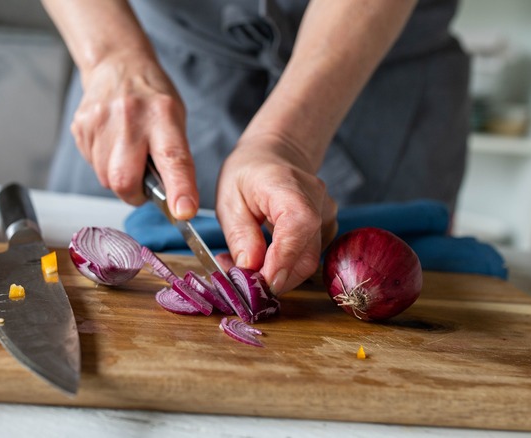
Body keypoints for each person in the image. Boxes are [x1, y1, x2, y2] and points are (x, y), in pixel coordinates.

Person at [42, 0, 470, 295]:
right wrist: (111, 57)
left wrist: (285, 141)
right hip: (145, 50)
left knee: (370, 277)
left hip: (371, 62)